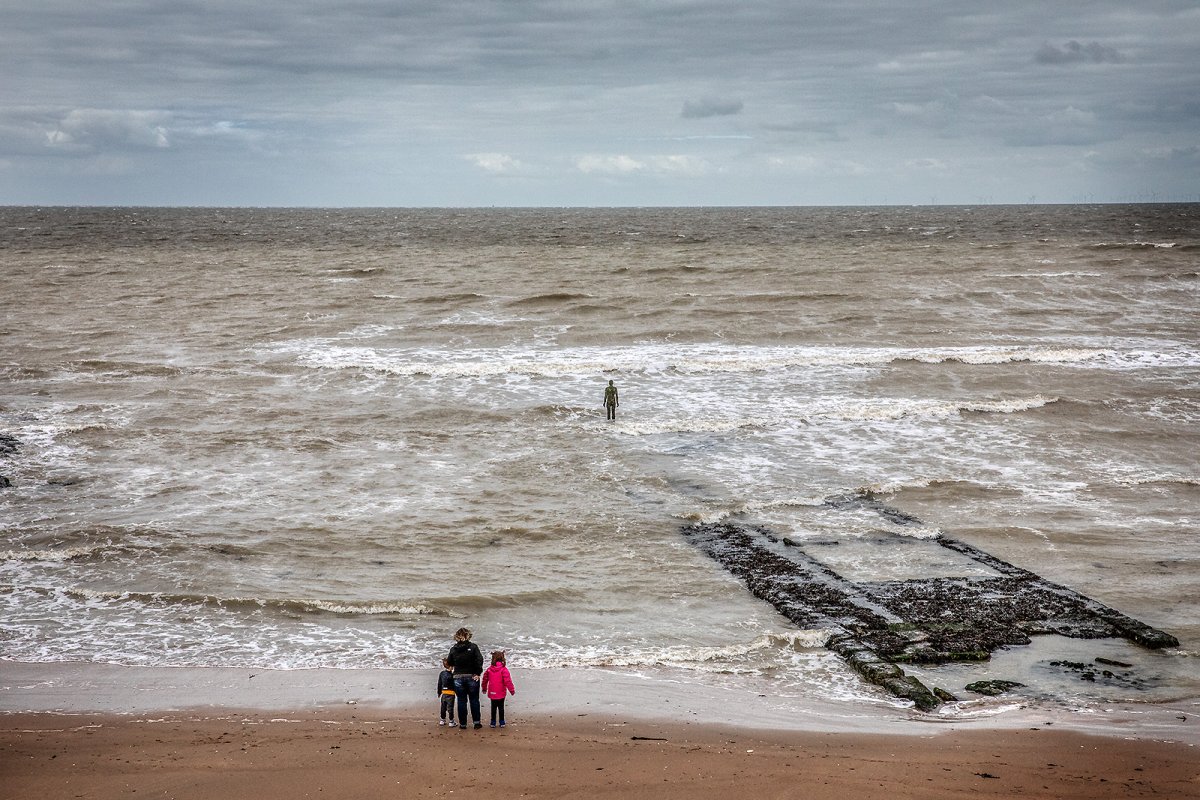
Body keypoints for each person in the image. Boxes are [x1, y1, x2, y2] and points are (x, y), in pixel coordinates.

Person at [447, 627, 484, 729]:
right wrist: (478, 673)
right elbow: (479, 660)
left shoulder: (453, 649)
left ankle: (463, 724)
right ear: (468, 636)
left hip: (458, 677)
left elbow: (449, 662)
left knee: (461, 701)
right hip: (472, 676)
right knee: (474, 700)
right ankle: (476, 723)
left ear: (457, 637)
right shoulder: (473, 647)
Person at [481, 650, 516, 728]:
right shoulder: (504, 669)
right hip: (501, 693)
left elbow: (485, 679)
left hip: (492, 692)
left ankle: (493, 722)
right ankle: (502, 722)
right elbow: (508, 681)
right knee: (501, 708)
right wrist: (512, 690)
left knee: (493, 707)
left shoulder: (490, 669)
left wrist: (484, 688)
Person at [436, 658, 456, 726]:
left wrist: (439, 692)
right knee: (450, 708)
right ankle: (451, 721)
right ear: (451, 666)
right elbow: (455, 685)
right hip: (451, 694)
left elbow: (439, 683)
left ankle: (442, 719)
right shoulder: (453, 675)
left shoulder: (442, 673)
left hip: (444, 693)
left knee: (443, 707)